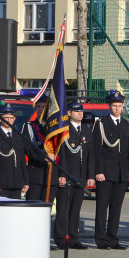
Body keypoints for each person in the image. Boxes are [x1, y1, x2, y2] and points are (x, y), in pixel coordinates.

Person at [92, 91, 129, 249]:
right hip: (105, 172)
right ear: (109, 106)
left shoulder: (126, 125)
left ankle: (112, 238)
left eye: (119, 106)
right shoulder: (101, 124)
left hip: (121, 173)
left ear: (123, 106)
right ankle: (101, 239)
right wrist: (98, 171)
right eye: (114, 106)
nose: (117, 109)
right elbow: (97, 151)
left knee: (116, 208)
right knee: (102, 207)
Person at [52, 100, 96, 250]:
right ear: (69, 113)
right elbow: (61, 154)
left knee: (76, 209)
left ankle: (74, 238)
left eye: (81, 111)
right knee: (63, 209)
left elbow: (90, 155)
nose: (80, 113)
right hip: (67, 174)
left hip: (81, 175)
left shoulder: (86, 130)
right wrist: (60, 174)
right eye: (77, 111)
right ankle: (61, 238)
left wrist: (90, 176)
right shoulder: (63, 129)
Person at [0, 105, 28, 198]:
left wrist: (25, 181)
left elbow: (21, 160)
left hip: (16, 182)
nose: (9, 120)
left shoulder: (18, 136)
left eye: (11, 118)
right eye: (6, 117)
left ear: (14, 119)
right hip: (1, 183)